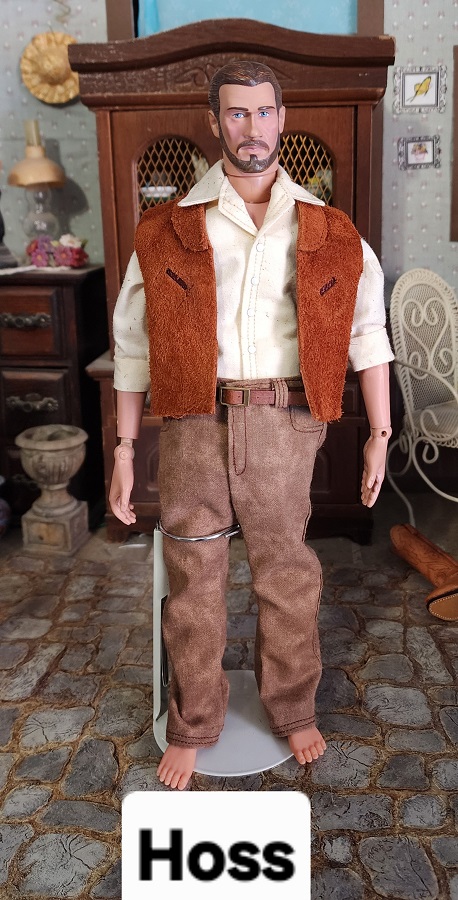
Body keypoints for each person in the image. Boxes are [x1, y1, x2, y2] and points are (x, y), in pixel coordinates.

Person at [109, 61, 394, 791]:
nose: (252, 128)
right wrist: (124, 448)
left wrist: (379, 433)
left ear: (282, 118)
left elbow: (368, 332)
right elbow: (132, 344)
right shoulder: (167, 228)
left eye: (264, 112)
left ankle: (292, 706)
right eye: (236, 113)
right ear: (215, 122)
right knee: (193, 576)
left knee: (286, 573)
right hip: (193, 420)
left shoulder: (329, 229)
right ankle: (193, 721)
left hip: (284, 420)